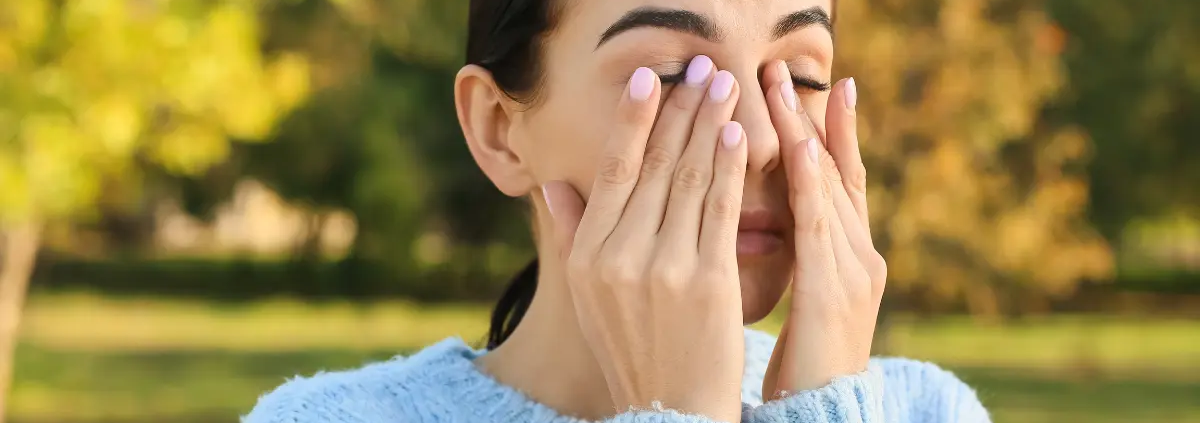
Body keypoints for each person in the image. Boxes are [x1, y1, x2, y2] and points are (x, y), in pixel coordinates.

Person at [243, 0, 991, 421]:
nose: (763, 136)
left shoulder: (924, 411)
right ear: (499, 130)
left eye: (800, 76)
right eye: (675, 75)